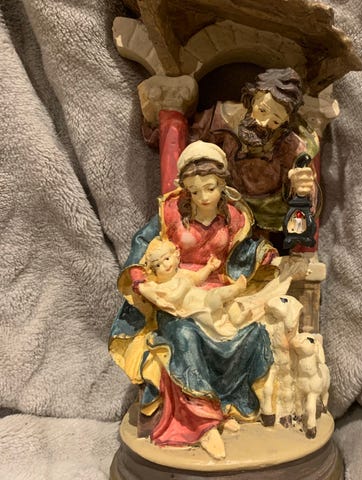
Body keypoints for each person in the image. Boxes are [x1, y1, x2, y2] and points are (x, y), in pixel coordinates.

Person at [109, 141, 279, 459]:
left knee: (250, 334)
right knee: (185, 337)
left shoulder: (234, 217)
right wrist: (140, 277)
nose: (203, 197)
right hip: (175, 297)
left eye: (210, 188)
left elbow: (240, 251)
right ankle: (201, 425)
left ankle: (225, 404)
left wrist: (262, 254)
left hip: (216, 296)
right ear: (186, 189)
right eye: (195, 190)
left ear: (222, 184)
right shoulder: (171, 212)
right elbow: (143, 244)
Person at [190, 67, 319, 235]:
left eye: (275, 121)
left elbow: (307, 199)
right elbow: (190, 142)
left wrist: (302, 190)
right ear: (252, 98)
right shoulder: (221, 119)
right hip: (221, 200)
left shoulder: (291, 145)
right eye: (262, 110)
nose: (263, 123)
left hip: (267, 212)